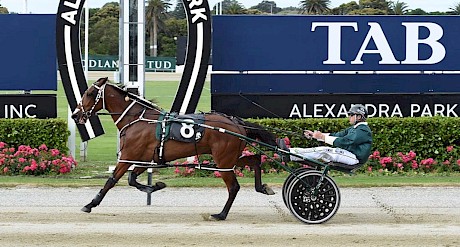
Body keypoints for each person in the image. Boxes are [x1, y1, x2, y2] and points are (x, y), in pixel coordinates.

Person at [285, 104, 373, 166]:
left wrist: (323, 137)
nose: (349, 116)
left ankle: (290, 153)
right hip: (350, 155)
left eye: (351, 115)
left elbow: (345, 141)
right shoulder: (354, 128)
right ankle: (290, 153)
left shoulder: (363, 130)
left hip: (355, 158)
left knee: (324, 150)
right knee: (324, 150)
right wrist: (315, 135)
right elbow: (337, 135)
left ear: (359, 117)